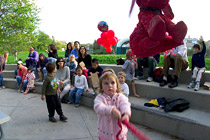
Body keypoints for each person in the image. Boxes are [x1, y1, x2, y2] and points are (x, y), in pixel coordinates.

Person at [94, 72, 131, 140]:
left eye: (112, 83)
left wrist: (126, 114)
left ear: (117, 86)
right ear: (101, 87)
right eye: (106, 83)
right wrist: (111, 110)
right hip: (105, 133)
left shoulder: (121, 97)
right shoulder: (100, 98)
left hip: (120, 133)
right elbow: (98, 107)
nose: (110, 85)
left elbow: (125, 104)